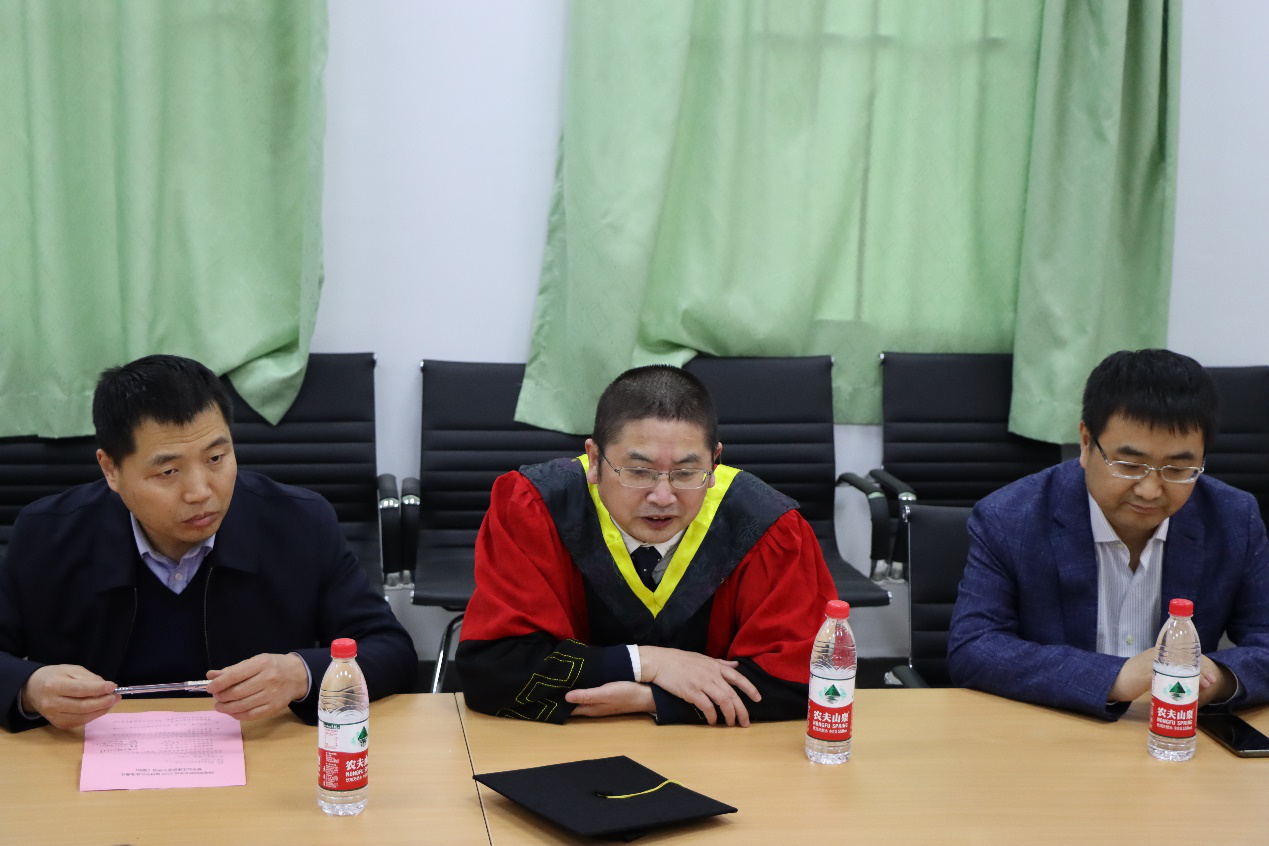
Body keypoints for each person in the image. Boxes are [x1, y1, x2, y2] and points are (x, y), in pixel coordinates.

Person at [0, 355, 417, 732]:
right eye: (168, 472)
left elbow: (391, 649)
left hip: (256, 755)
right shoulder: (46, 534)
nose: (200, 492)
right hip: (92, 760)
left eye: (216, 458)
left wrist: (300, 674)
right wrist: (30, 688)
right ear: (111, 469)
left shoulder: (300, 522)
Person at [456, 365, 838, 726]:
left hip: (714, 754)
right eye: (639, 471)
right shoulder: (537, 508)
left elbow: (811, 682)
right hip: (566, 748)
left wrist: (649, 698)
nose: (663, 496)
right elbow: (493, 672)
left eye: (686, 472)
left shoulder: (766, 525)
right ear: (594, 459)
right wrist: (650, 663)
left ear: (714, 462)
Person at [948, 349, 1269, 718]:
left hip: (1176, 732)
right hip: (1056, 729)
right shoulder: (1009, 517)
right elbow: (973, 647)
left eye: (1178, 469)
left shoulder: (1234, 518)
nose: (1150, 490)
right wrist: (1112, 677)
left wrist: (1220, 678)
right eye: (1130, 465)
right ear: (1086, 443)